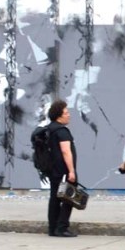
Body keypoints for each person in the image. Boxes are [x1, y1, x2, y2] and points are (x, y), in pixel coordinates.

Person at [46, 99, 78, 237]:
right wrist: (71, 171)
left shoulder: (50, 129)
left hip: (53, 170)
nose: (69, 115)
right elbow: (66, 151)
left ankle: (52, 228)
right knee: (68, 198)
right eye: (66, 112)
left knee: (54, 198)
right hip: (64, 171)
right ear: (59, 115)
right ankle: (62, 227)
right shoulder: (62, 131)